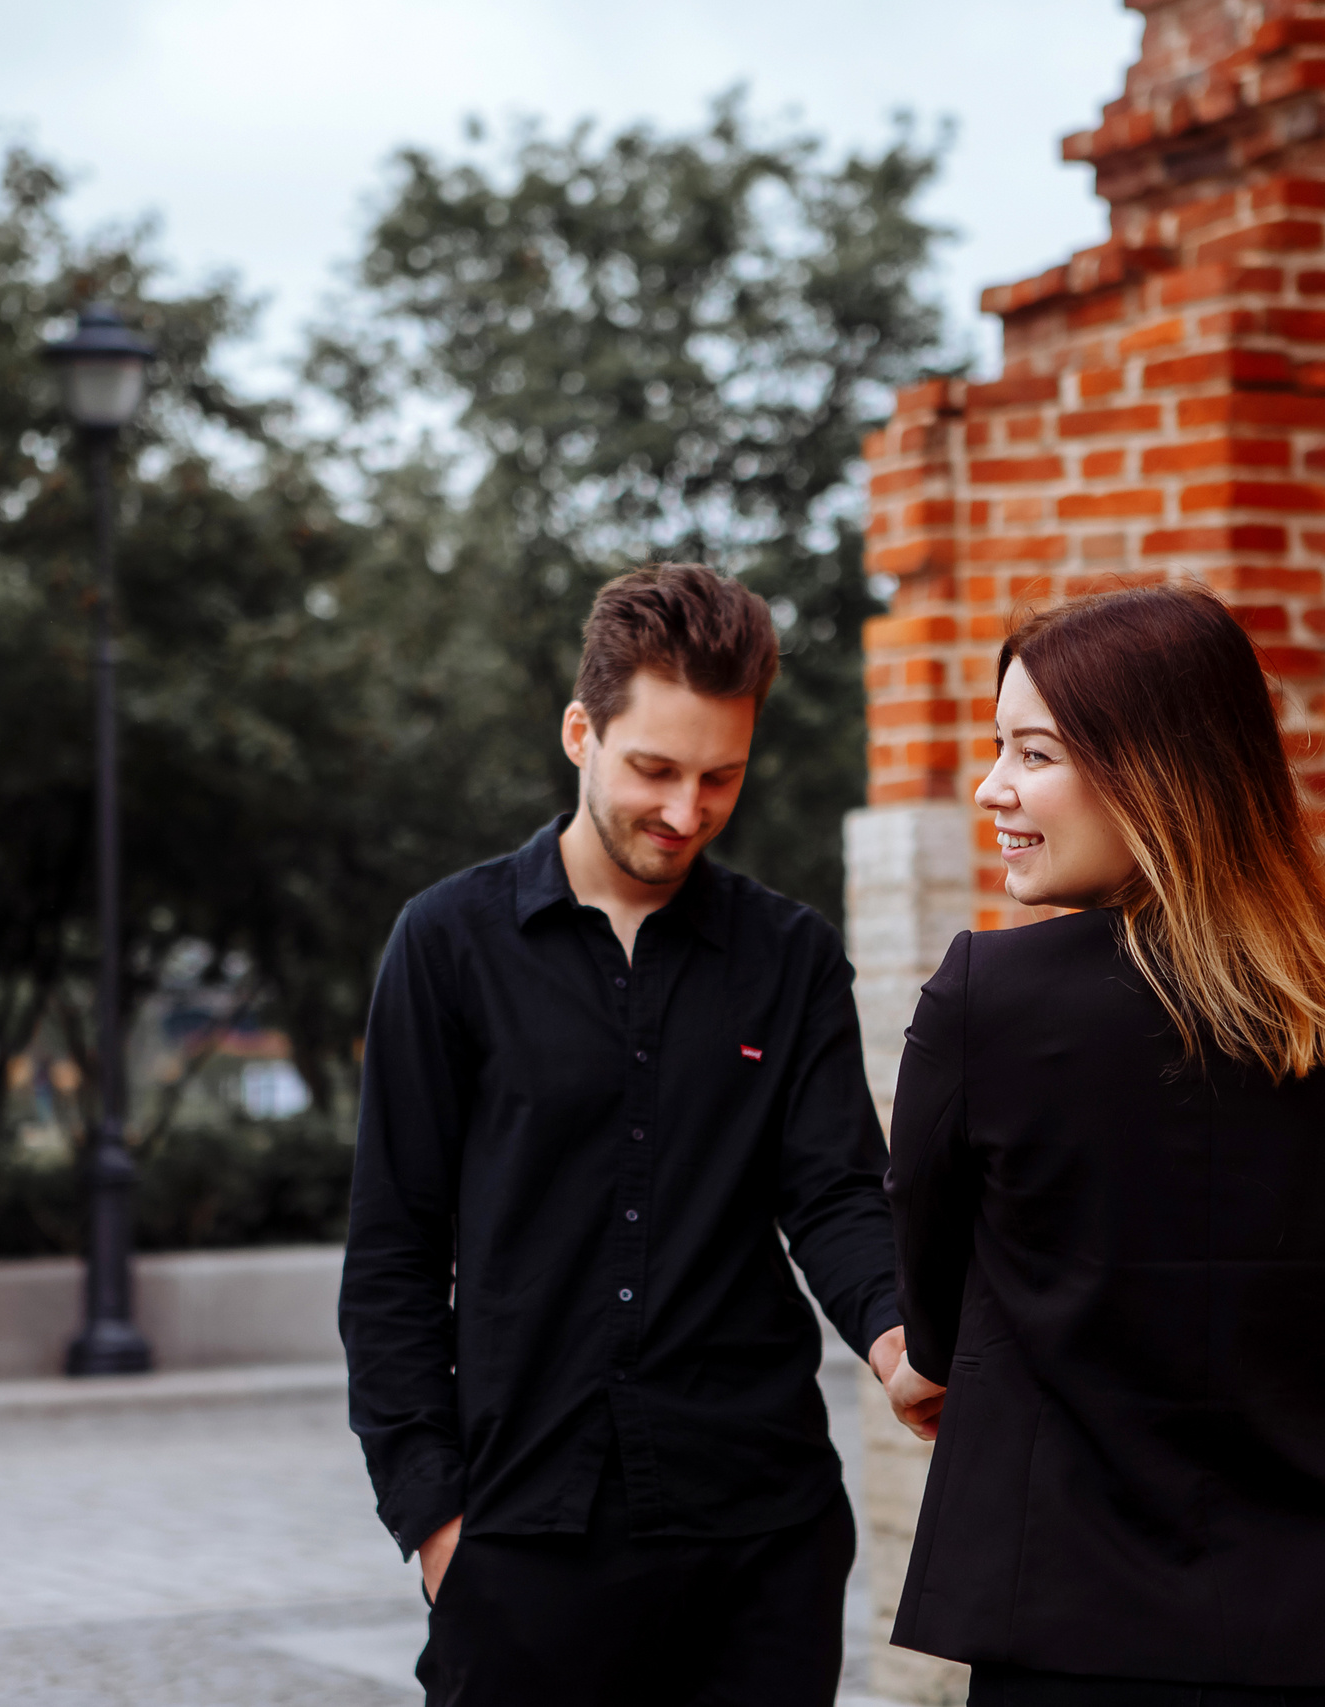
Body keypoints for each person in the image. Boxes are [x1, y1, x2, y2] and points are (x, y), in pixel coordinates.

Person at [880, 584, 1325, 1705]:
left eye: (1034, 754)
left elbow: (932, 1296)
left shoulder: (984, 1001)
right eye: (997, 749)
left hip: (1070, 1639)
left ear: (1154, 770)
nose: (991, 789)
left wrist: (923, 1363)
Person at [339, 562, 908, 1707]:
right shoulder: (447, 946)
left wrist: (897, 1339)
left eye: (720, 777)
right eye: (654, 769)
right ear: (578, 733)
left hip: (758, 1537)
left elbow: (837, 1193)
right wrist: (437, 1523)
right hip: (521, 1534)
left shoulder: (788, 956)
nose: (685, 812)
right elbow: (395, 1253)